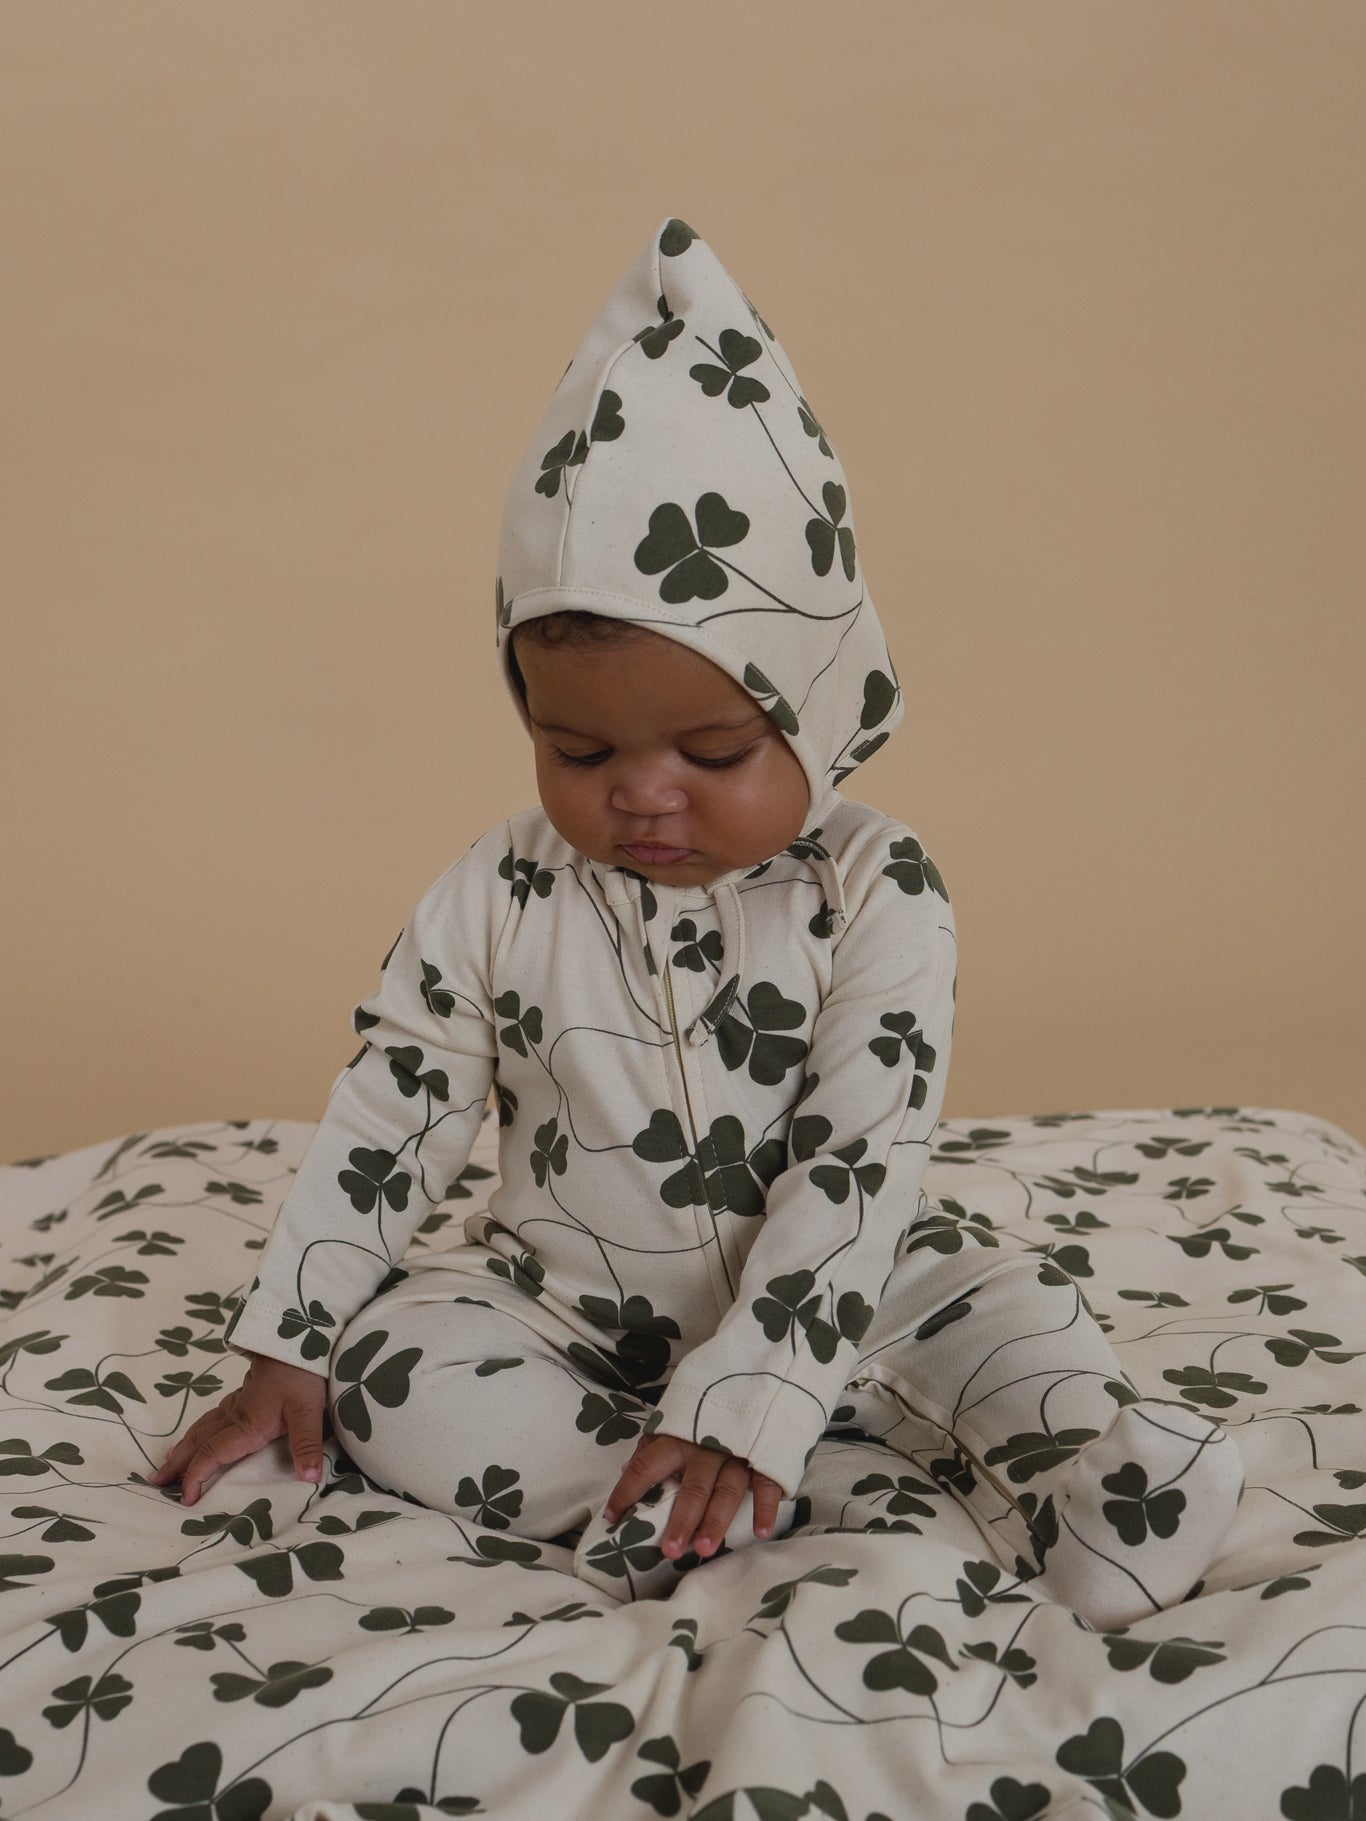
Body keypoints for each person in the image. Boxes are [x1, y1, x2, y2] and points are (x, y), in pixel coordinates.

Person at [152, 217, 1242, 1625]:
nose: (641, 800)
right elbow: (392, 1109)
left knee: (1016, 1319)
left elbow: (860, 1158)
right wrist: (291, 1338)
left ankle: (1100, 1495)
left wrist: (762, 1382)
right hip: (559, 1302)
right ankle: (688, 1505)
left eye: (713, 753)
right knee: (394, 1370)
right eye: (580, 752)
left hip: (854, 1283)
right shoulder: (499, 887)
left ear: (817, 708)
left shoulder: (877, 888)